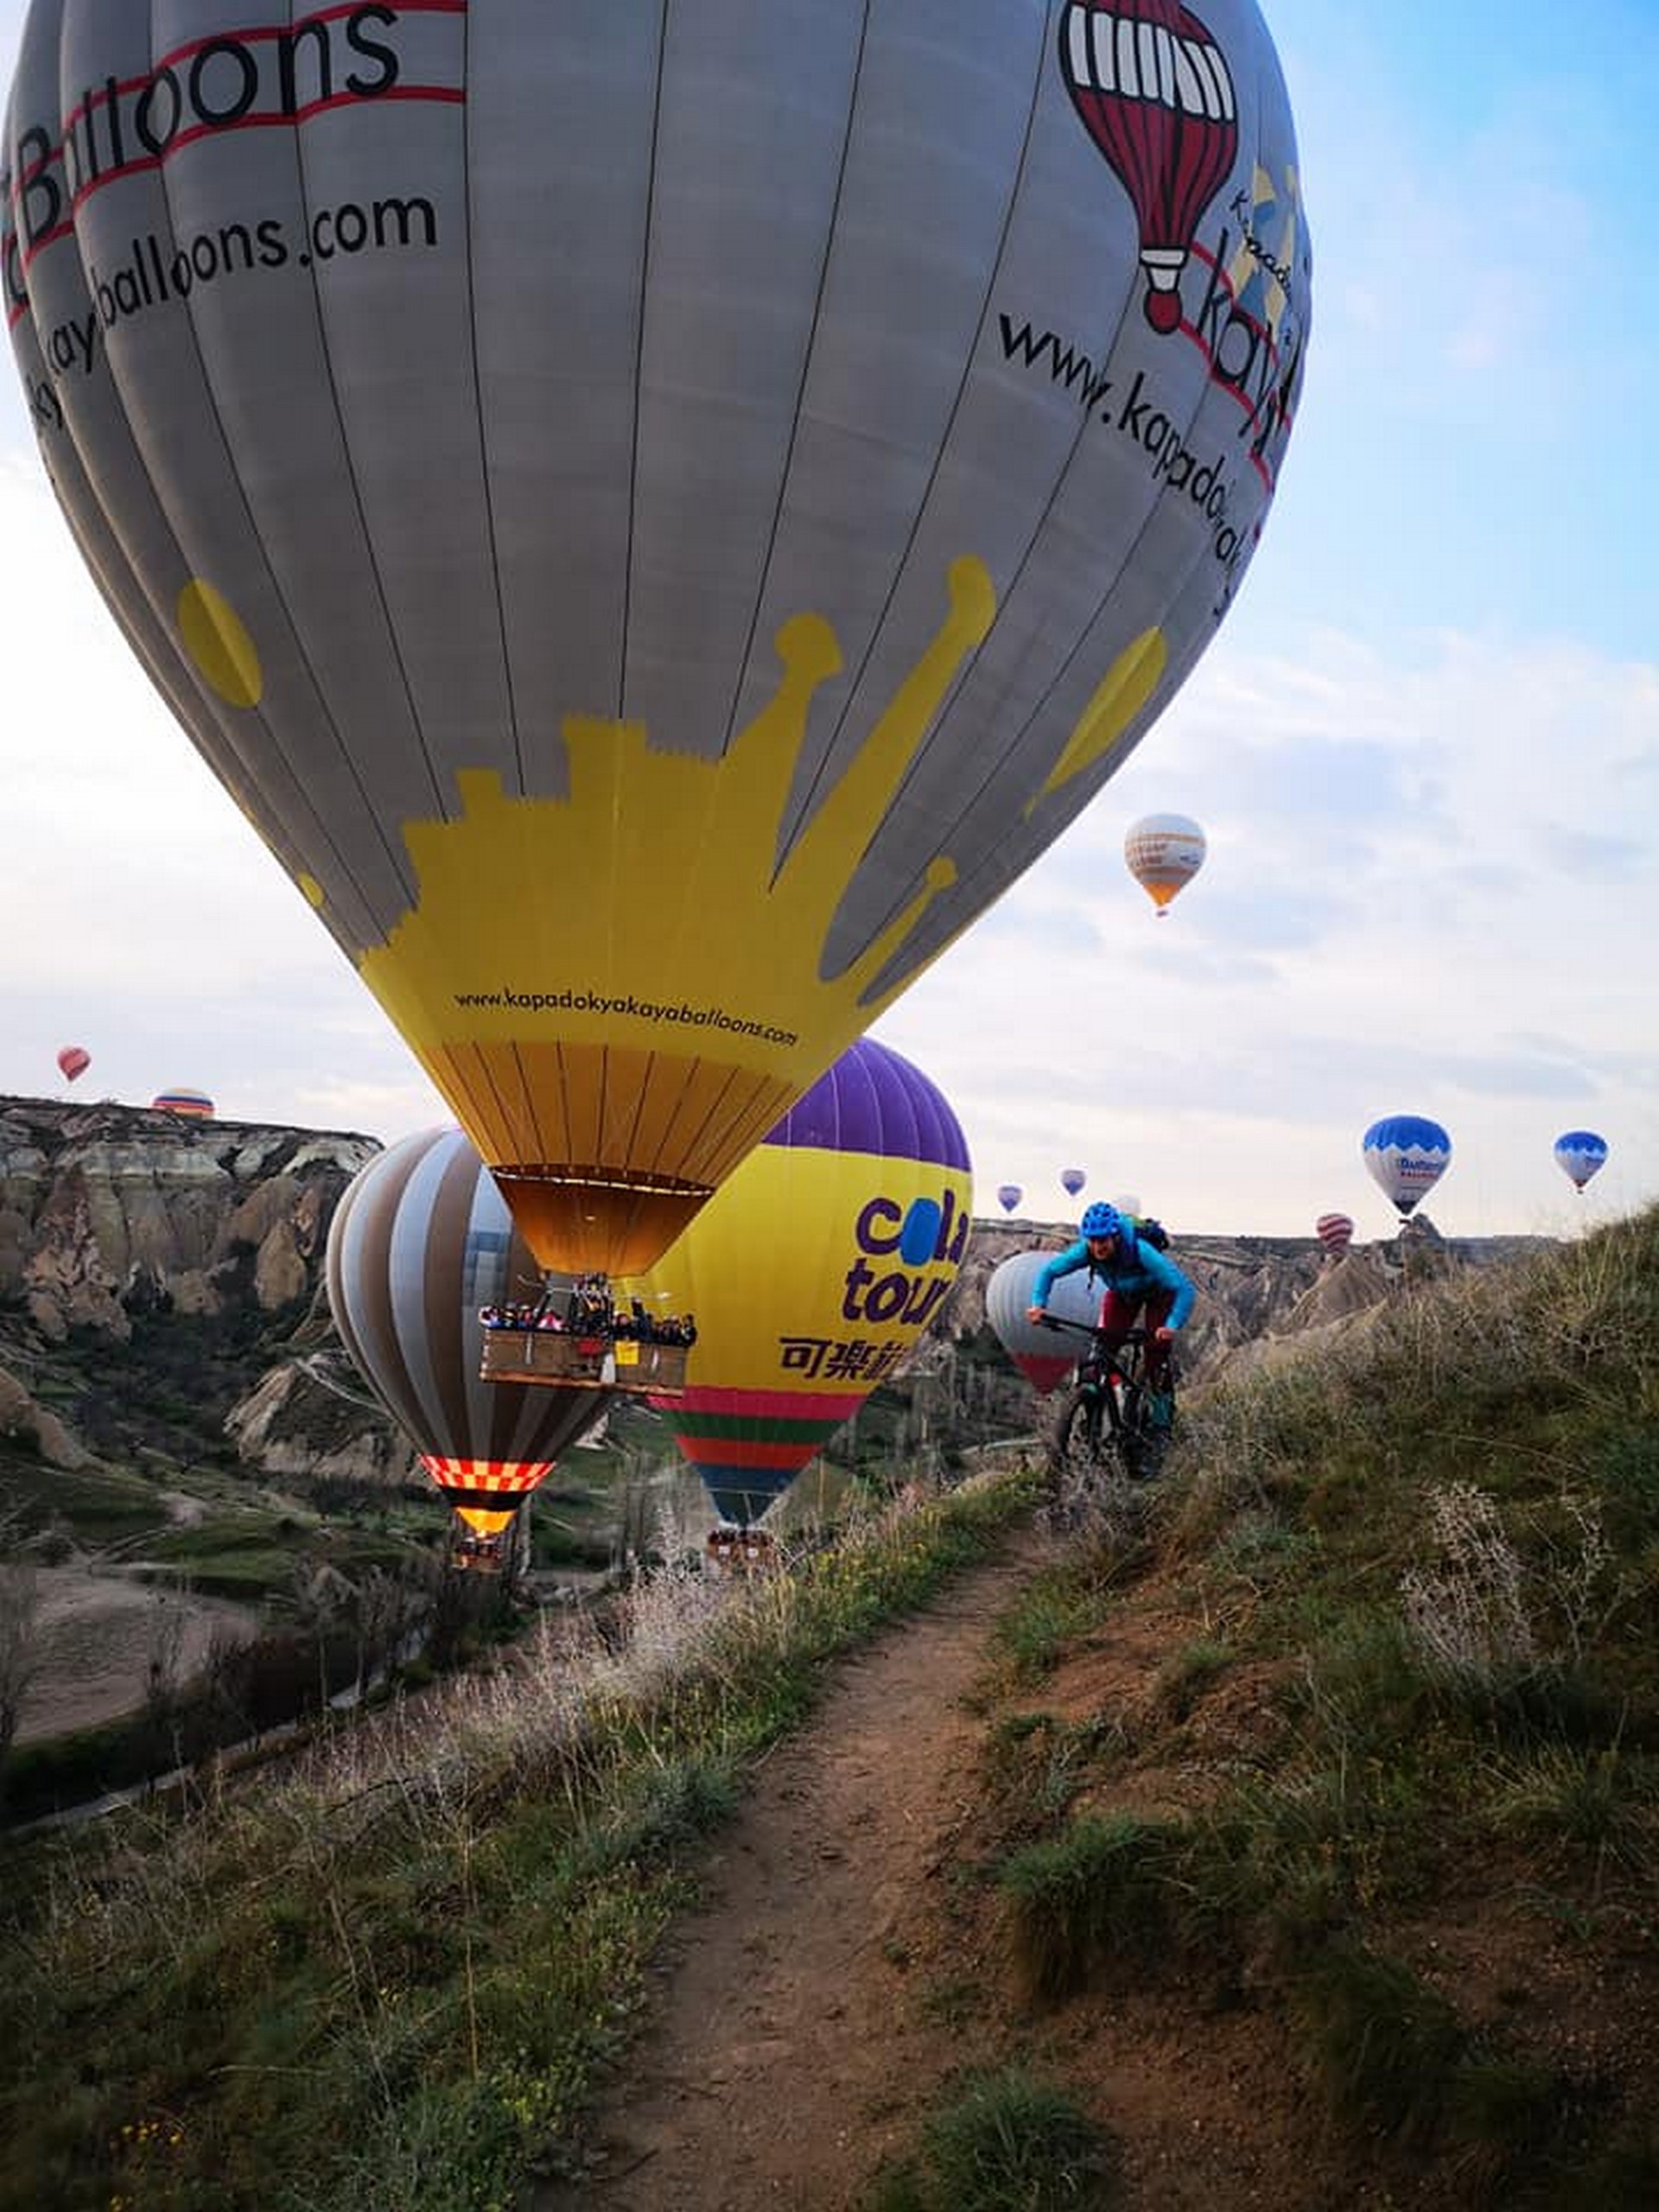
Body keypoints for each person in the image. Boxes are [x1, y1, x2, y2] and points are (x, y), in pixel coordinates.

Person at [1025, 1199, 1195, 1438]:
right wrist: (1038, 1305)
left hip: (1159, 1293)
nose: (1097, 1247)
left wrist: (1171, 1325)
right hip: (1122, 1294)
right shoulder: (1086, 1250)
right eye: (1092, 1240)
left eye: (1102, 1240)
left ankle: (1161, 1425)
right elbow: (1049, 1271)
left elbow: (1184, 1289)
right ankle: (1099, 1405)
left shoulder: (1140, 1251)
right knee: (1102, 1348)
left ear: (1115, 1236)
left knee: (1156, 1354)